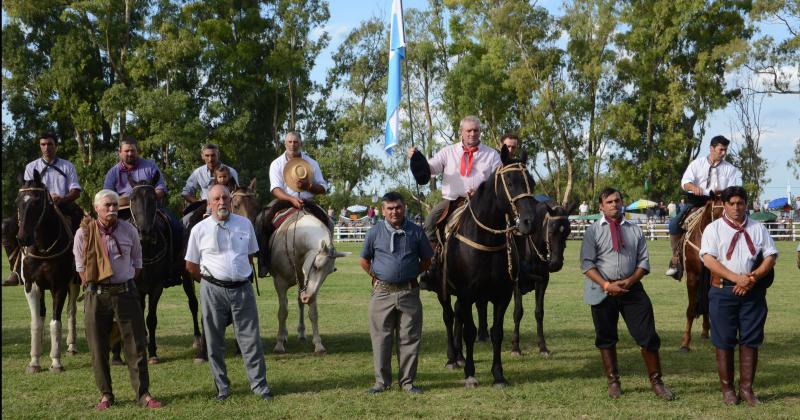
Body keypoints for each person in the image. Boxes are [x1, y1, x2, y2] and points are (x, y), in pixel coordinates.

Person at [580, 187, 674, 401]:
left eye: (617, 200)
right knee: (606, 337)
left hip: (632, 289)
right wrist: (606, 285)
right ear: (601, 207)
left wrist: (630, 281)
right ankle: (613, 382)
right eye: (609, 202)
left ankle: (657, 381)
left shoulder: (634, 230)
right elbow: (587, 265)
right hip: (602, 291)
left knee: (648, 335)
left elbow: (643, 262)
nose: (614, 204)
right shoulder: (592, 231)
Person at [73, 189, 162, 410]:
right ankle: (106, 395)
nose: (112, 209)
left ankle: (143, 394)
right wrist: (98, 284)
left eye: (114, 205)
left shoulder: (129, 230)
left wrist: (122, 282)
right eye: (107, 205)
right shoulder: (83, 233)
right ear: (96, 208)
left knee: (137, 346)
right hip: (96, 296)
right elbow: (81, 269)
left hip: (126, 294)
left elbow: (138, 263)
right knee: (97, 348)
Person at [185, 185, 272, 401]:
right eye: (217, 198)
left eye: (225, 197)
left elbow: (250, 256)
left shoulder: (245, 225)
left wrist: (238, 275)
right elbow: (191, 266)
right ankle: (222, 388)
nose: (222, 201)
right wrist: (209, 282)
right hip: (212, 290)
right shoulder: (199, 229)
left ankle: (260, 387)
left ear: (231, 201)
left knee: (251, 340)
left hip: (242, 289)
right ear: (209, 203)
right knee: (214, 342)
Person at [700, 186, 778, 406]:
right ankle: (728, 390)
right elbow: (709, 260)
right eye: (732, 203)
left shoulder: (758, 228)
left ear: (746, 204)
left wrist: (751, 279)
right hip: (723, 291)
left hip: (752, 291)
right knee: (724, 340)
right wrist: (737, 278)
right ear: (724, 205)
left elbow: (770, 257)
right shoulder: (713, 229)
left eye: (740, 203)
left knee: (751, 339)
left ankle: (746, 389)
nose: (736, 207)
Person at [359, 192, 433, 394]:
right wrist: (376, 276)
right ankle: (381, 382)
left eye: (398, 207)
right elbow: (364, 260)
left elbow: (427, 260)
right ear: (383, 210)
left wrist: (411, 274)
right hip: (382, 294)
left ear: (404, 208)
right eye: (390, 208)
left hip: (409, 293)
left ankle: (407, 382)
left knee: (409, 337)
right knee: (381, 339)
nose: (394, 212)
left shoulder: (416, 232)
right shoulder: (374, 232)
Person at [3, 132, 84, 286]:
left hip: (62, 205)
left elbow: (76, 191)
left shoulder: (67, 166)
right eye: (43, 144)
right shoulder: (31, 166)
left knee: (83, 227)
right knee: (6, 227)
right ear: (40, 146)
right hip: (36, 209)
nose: (46, 148)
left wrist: (61, 199)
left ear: (56, 146)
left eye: (50, 144)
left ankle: (78, 268)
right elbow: (26, 190)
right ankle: (16, 270)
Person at [407, 116, 502, 244]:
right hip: (452, 202)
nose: (472, 134)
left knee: (506, 225)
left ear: (480, 132)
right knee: (429, 223)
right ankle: (433, 258)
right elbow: (430, 169)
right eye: (468, 131)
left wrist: (481, 192)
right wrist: (417, 159)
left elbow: (499, 181)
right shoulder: (448, 151)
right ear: (461, 132)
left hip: (482, 201)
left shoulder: (492, 154)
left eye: (476, 130)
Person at [103, 136, 184, 281]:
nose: (130, 154)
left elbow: (161, 188)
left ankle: (174, 267)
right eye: (126, 151)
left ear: (137, 151)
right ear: (119, 152)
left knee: (177, 226)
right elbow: (107, 196)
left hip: (151, 208)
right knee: (102, 231)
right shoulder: (113, 172)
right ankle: (104, 267)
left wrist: (149, 196)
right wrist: (129, 200)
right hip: (123, 209)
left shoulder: (150, 166)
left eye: (132, 151)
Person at [256, 131, 330, 277]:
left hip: (308, 202)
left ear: (301, 144)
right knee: (262, 221)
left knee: (328, 222)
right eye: (289, 142)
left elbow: (323, 187)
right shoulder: (277, 163)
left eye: (295, 142)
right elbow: (275, 189)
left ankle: (328, 259)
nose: (292, 145)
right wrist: (291, 199)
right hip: (284, 201)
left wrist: (308, 186)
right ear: (285, 143)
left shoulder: (312, 163)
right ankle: (264, 262)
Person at [666, 135, 740, 280]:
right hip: (697, 202)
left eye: (725, 150)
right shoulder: (696, 164)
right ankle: (676, 260)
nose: (723, 153)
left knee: (743, 222)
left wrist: (723, 196)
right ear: (711, 148)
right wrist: (693, 187)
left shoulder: (730, 169)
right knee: (674, 224)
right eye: (721, 150)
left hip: (719, 203)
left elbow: (732, 189)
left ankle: (744, 260)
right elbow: (685, 182)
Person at [181, 143, 239, 222]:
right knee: (184, 221)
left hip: (227, 207)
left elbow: (237, 193)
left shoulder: (231, 171)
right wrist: (198, 202)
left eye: (213, 155)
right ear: (202, 156)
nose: (210, 159)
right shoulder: (198, 172)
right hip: (204, 207)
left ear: (218, 155)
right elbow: (185, 192)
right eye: (207, 156)